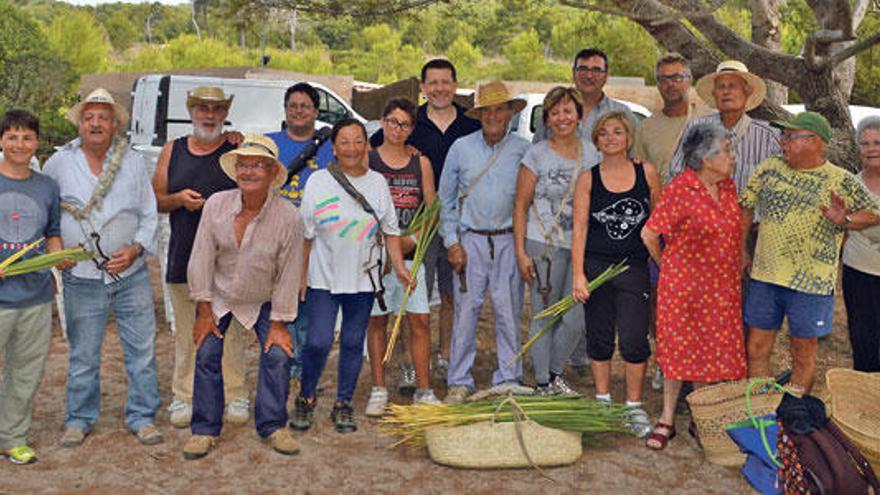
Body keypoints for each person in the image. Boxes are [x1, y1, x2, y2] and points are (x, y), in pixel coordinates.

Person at [43, 88, 161, 448]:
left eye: (103, 117)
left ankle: (142, 416)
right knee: (82, 354)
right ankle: (79, 419)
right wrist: (57, 252)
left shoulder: (134, 161)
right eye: (89, 117)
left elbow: (148, 211)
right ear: (80, 123)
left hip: (131, 274)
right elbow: (48, 215)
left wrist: (137, 248)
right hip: (81, 277)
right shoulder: (58, 163)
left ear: (115, 125)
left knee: (142, 351)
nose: (95, 123)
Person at [182, 135, 304, 460]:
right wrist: (204, 309)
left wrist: (279, 322)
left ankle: (273, 425)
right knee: (207, 351)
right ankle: (204, 429)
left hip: (262, 298)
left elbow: (289, 274)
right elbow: (201, 258)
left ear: (271, 172)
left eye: (257, 166)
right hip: (219, 294)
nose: (249, 172)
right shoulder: (216, 205)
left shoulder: (288, 217)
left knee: (278, 354)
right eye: (243, 165)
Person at [741, 112, 880, 393]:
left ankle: (796, 410)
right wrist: (740, 249)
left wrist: (845, 221)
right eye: (783, 136)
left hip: (812, 283)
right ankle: (761, 411)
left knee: (802, 350)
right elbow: (745, 205)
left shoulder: (841, 179)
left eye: (790, 137)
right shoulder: (769, 168)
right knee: (756, 347)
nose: (782, 143)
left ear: (815, 142)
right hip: (766, 277)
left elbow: (874, 213)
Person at [292, 119, 413, 433]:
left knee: (352, 341)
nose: (351, 148)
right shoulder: (318, 181)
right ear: (334, 147)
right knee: (317, 341)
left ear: (366, 145)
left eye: (358, 141)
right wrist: (300, 277)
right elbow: (305, 235)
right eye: (344, 142)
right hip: (323, 278)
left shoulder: (378, 183)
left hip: (363, 279)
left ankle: (343, 403)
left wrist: (400, 268)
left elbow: (390, 231)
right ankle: (305, 398)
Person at [371, 59, 481, 383]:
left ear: (456, 84)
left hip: (460, 225)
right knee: (413, 294)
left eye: (446, 82)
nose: (440, 89)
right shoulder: (409, 123)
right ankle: (410, 362)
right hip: (418, 226)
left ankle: (446, 357)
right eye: (432, 83)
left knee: (452, 295)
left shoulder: (470, 124)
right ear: (422, 87)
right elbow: (372, 151)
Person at [641, 122, 747, 450]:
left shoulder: (728, 188)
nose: (733, 157)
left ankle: (701, 419)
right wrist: (668, 267)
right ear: (705, 158)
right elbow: (649, 234)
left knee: (711, 351)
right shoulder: (679, 189)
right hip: (684, 289)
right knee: (678, 351)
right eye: (726, 151)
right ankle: (667, 419)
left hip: (722, 287)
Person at [152, 86, 248, 428]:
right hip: (183, 254)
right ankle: (184, 395)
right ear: (192, 112)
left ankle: (236, 394)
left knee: (230, 330)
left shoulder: (237, 149)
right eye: (203, 109)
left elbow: (254, 198)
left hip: (227, 261)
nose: (209, 115)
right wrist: (179, 200)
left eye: (217, 109)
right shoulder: (172, 150)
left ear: (224, 114)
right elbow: (157, 199)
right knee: (187, 331)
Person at [534, 48, 634, 372]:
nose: (590, 74)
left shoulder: (621, 112)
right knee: (554, 302)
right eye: (584, 68)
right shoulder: (551, 111)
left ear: (606, 74)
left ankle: (574, 359)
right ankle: (548, 371)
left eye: (597, 69)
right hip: (551, 232)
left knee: (584, 302)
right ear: (574, 70)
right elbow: (536, 166)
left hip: (596, 228)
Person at [438, 80, 532, 404]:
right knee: (466, 313)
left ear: (509, 113)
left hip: (509, 239)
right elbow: (445, 201)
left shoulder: (524, 150)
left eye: (500, 109)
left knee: (508, 311)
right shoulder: (461, 148)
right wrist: (452, 242)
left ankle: (508, 378)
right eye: (487, 110)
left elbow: (530, 202)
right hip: (471, 240)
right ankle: (459, 381)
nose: (493, 116)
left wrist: (524, 248)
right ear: (479, 115)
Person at [570, 110, 661, 437]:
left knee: (635, 338)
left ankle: (633, 407)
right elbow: (579, 229)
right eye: (604, 132)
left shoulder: (646, 173)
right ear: (596, 139)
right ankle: (603, 401)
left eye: (618, 132)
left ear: (628, 137)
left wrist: (661, 262)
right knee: (599, 336)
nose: (610, 137)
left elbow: (658, 221)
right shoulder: (588, 178)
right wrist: (578, 275)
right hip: (597, 268)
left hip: (633, 268)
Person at [365, 98, 440, 416]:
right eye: (393, 122)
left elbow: (432, 210)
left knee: (419, 320)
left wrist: (409, 243)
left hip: (412, 254)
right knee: (378, 321)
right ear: (383, 122)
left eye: (405, 124)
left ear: (412, 129)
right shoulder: (367, 161)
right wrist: (382, 252)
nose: (398, 129)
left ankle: (424, 390)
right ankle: (379, 388)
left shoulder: (419, 163)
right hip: (375, 260)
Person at [513, 87, 587, 395]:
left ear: (579, 115)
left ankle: (555, 372)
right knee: (544, 314)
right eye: (554, 112)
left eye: (567, 111)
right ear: (547, 118)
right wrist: (520, 251)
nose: (561, 118)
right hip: (542, 243)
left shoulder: (592, 152)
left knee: (575, 317)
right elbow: (519, 205)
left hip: (580, 245)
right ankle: (544, 381)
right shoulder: (537, 154)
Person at [0, 110, 63, 464]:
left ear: (36, 143)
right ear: (1, 141)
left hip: (35, 296)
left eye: (26, 138)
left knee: (25, 372)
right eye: (11, 136)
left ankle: (11, 438)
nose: (19, 144)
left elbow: (51, 233)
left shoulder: (46, 187)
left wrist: (59, 257)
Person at [266, 82, 336, 389]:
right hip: (278, 238)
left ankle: (306, 370)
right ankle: (285, 363)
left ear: (316, 112)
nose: (298, 111)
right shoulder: (269, 144)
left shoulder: (331, 146)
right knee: (282, 304)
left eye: (305, 106)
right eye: (292, 106)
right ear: (284, 110)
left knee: (310, 304)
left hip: (319, 240)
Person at [669, 60, 780, 192]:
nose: (726, 92)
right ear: (714, 94)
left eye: (732, 86)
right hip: (701, 211)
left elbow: (778, 188)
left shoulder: (769, 137)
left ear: (747, 92)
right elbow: (675, 174)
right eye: (721, 87)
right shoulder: (697, 129)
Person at [633, 53, 707, 183]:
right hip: (662, 200)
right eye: (664, 79)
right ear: (658, 84)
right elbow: (640, 175)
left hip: (702, 201)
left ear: (689, 81)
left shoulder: (708, 120)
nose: (670, 84)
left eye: (677, 78)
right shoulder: (645, 128)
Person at [842, 116, 880, 372]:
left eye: (878, 142)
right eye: (865, 143)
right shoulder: (850, 185)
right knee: (863, 338)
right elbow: (842, 224)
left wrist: (862, 219)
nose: (871, 148)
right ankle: (864, 401)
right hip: (858, 272)